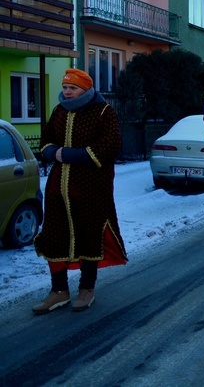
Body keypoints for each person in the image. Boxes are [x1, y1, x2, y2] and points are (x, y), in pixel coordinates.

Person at [32, 69, 127, 314]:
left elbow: (108, 147)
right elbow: (44, 144)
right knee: (54, 237)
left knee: (89, 236)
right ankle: (59, 291)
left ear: (85, 89)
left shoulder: (104, 112)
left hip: (91, 189)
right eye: (65, 87)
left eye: (72, 88)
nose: (66, 92)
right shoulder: (59, 111)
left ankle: (87, 288)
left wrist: (68, 154)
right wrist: (53, 152)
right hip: (57, 189)